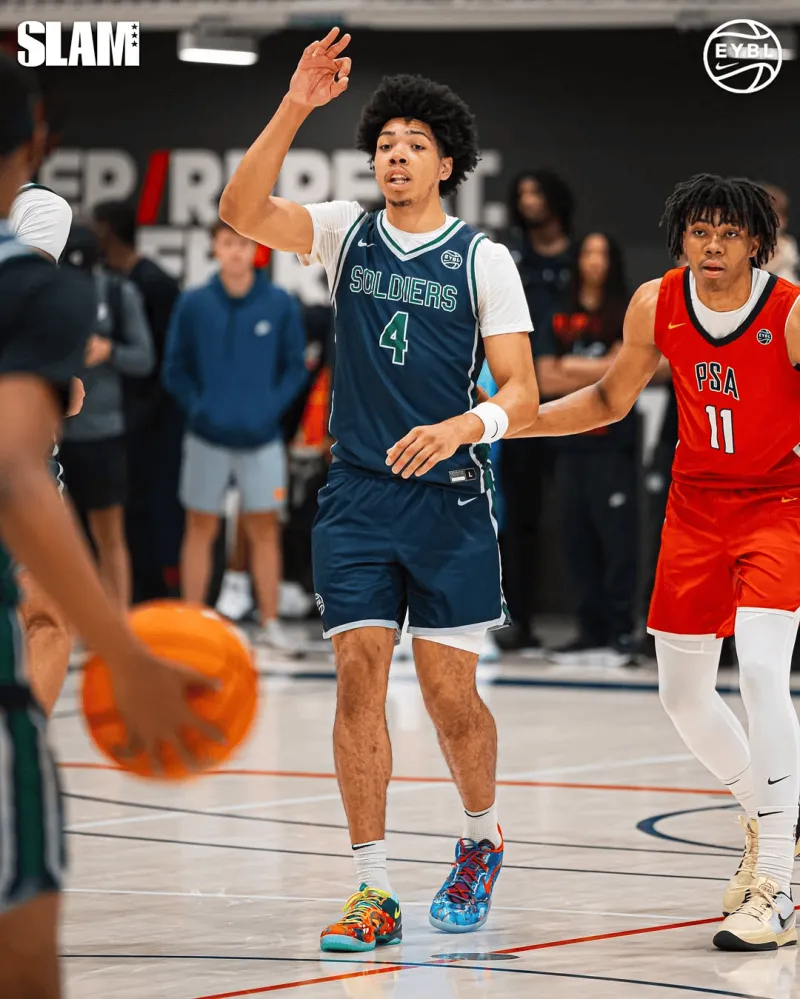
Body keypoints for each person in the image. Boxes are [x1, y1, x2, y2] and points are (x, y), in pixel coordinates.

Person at [220, 29, 537, 949]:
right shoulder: (341, 230)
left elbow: (522, 391)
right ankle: (373, 887)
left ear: (447, 163)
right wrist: (296, 104)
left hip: (448, 499)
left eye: (414, 144)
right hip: (356, 497)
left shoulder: (481, 258)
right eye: (385, 143)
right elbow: (241, 208)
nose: (395, 155)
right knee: (357, 679)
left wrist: (463, 425)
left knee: (448, 696)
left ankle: (481, 837)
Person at [504, 173, 800, 951]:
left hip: (777, 504)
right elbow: (609, 400)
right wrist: (507, 423)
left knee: (761, 670)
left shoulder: (790, 311)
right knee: (683, 696)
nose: (713, 245)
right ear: (681, 237)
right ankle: (769, 815)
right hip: (695, 507)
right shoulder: (654, 303)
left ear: (757, 242)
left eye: (729, 232)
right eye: (700, 230)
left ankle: (776, 882)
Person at [0, 53, 218, 997]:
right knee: (24, 960)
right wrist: (124, 654)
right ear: (38, 139)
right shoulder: (34, 259)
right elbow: (13, 472)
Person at [163, 220, 307, 650]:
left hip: (262, 438)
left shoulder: (279, 303)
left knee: (264, 529)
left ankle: (269, 622)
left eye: (244, 243)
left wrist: (269, 408)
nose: (236, 251)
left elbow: (295, 367)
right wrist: (200, 407)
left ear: (256, 249)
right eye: (228, 243)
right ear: (215, 247)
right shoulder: (193, 303)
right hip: (205, 436)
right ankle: (192, 621)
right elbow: (175, 368)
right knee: (199, 526)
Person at [537, 233, 639, 665]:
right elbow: (545, 377)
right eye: (588, 253)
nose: (594, 261)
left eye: (602, 253)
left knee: (617, 541)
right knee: (575, 539)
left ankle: (619, 629)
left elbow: (646, 370)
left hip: (613, 446)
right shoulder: (558, 311)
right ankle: (588, 628)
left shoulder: (629, 310)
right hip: (569, 446)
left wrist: (571, 367)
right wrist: (606, 367)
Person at [494, 170, 575, 653]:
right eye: (521, 193)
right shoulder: (507, 256)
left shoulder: (581, 257)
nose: (529, 201)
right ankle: (516, 618)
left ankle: (599, 626)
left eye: (537, 192)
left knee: (584, 514)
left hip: (573, 399)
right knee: (518, 515)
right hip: (519, 398)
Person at [59, 225, 154, 609]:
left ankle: (117, 620)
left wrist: (108, 350)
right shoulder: (44, 292)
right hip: (53, 435)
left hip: (102, 432)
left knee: (109, 534)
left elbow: (145, 359)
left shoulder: (117, 293)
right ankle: (65, 621)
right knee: (57, 536)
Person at [92, 200, 183, 603]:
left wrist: (147, 411)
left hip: (153, 416)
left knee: (148, 505)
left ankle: (150, 592)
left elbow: (163, 360)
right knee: (113, 506)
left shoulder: (153, 284)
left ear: (109, 231)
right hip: (112, 413)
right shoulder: (107, 282)